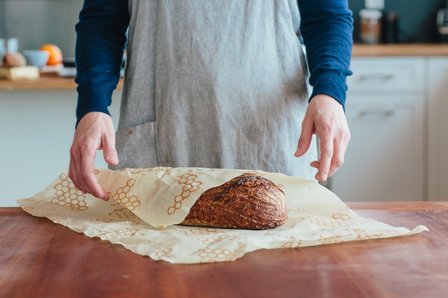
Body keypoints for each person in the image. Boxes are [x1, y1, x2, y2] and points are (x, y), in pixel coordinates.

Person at [69, 0, 353, 200]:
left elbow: (327, 17)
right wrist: (92, 106)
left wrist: (329, 92)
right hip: (162, 144)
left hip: (269, 142)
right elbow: (103, 21)